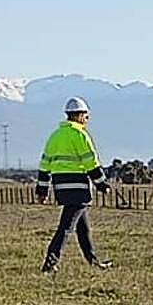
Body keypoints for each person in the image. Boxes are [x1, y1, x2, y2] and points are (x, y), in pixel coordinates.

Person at [36, 97, 113, 272]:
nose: (87, 119)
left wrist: (42, 190)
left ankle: (93, 262)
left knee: (83, 228)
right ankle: (50, 262)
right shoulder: (80, 135)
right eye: (86, 116)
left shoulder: (55, 136)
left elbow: (44, 164)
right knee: (66, 227)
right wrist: (102, 185)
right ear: (79, 116)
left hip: (60, 187)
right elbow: (91, 163)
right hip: (77, 187)